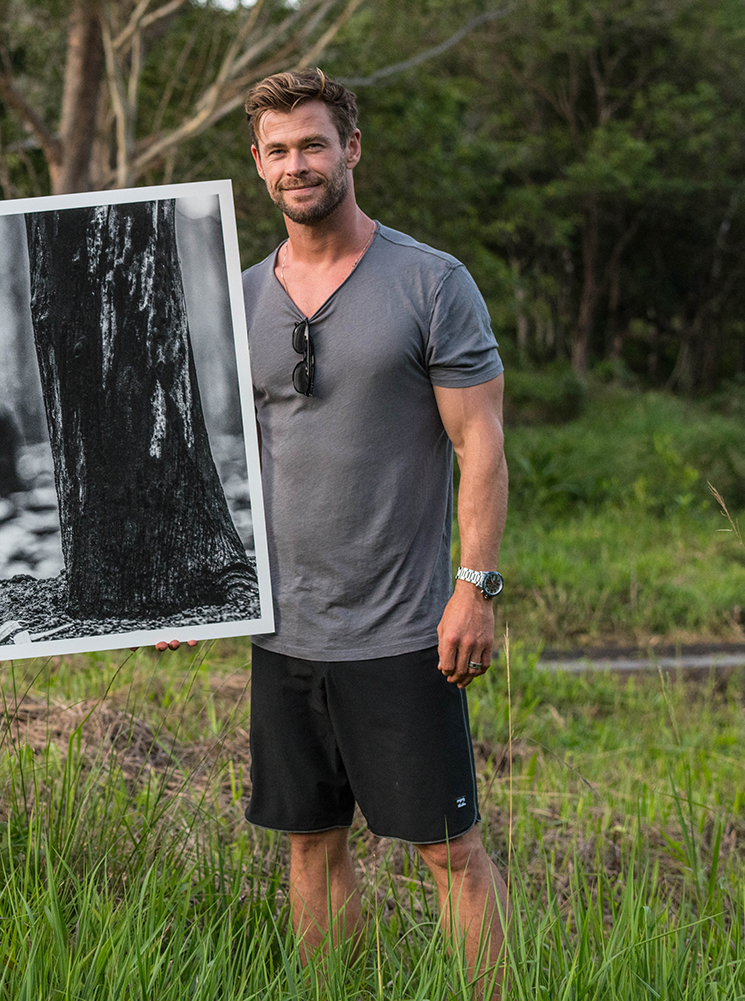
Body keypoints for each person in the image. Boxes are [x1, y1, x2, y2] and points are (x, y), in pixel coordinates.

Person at [241, 69, 510, 995]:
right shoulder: (240, 300)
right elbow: (223, 466)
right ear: (258, 166)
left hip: (402, 630)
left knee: (448, 852)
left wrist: (474, 585)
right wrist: (192, 591)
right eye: (278, 150)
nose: (297, 164)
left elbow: (481, 443)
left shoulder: (432, 283)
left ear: (351, 148)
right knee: (310, 846)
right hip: (284, 634)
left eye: (313, 143)